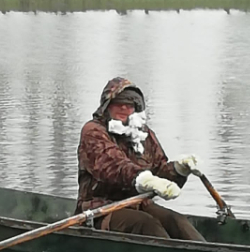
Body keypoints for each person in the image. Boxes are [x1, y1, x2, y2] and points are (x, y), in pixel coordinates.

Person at [76, 77, 206, 241]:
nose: (124, 107)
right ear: (107, 106)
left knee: (177, 221)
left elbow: (159, 172)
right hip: (99, 209)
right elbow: (113, 166)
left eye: (130, 104)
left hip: (138, 204)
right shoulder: (93, 131)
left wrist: (179, 170)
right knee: (146, 224)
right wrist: (143, 179)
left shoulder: (143, 134)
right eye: (118, 103)